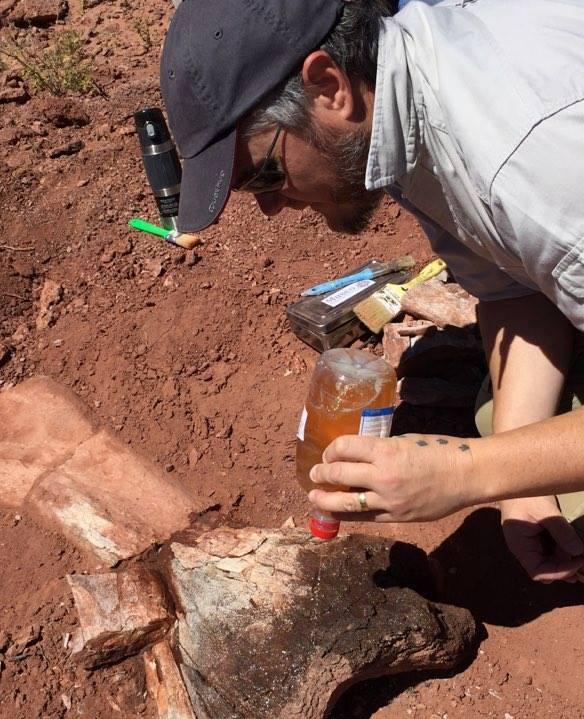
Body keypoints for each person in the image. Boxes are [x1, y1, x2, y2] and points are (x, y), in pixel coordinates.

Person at [160, 0, 584, 583]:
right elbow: (516, 294)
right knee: (509, 430)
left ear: (329, 86)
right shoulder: (396, 115)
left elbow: (543, 217)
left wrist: (471, 474)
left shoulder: (535, 171)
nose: (269, 208)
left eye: (264, 174)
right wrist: (523, 490)